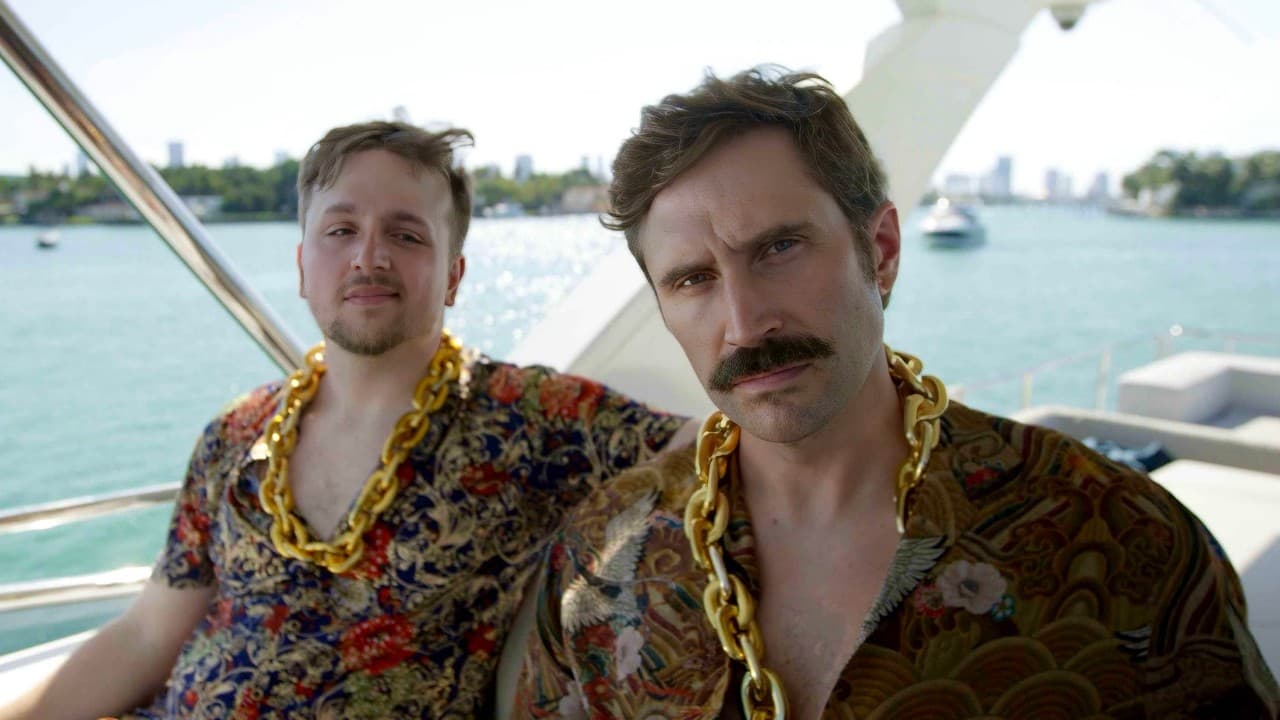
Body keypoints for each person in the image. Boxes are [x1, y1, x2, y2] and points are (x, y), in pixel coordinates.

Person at [512, 69, 1280, 719]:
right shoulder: (600, 558)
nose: (745, 325)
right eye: (693, 280)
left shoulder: (1118, 538)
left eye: (779, 248)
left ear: (879, 251)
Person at [0, 121, 694, 720]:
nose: (369, 255)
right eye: (341, 229)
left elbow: (715, 449)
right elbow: (146, 637)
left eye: (406, 233)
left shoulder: (530, 419)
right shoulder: (237, 434)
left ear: (453, 275)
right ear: (304, 266)